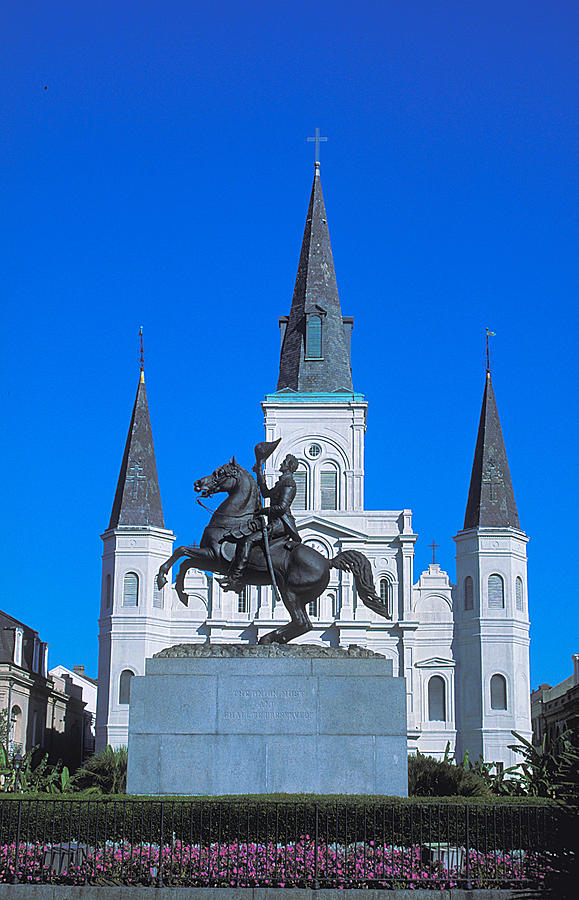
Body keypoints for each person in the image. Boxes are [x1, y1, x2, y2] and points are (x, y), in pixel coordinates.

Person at [219, 454, 301, 592]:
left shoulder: (289, 483)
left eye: (285, 462)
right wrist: (259, 472)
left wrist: (263, 511)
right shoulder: (281, 482)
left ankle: (236, 577)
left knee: (248, 540)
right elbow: (265, 493)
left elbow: (282, 508)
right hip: (274, 521)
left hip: (281, 524)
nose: (282, 464)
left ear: (290, 466)